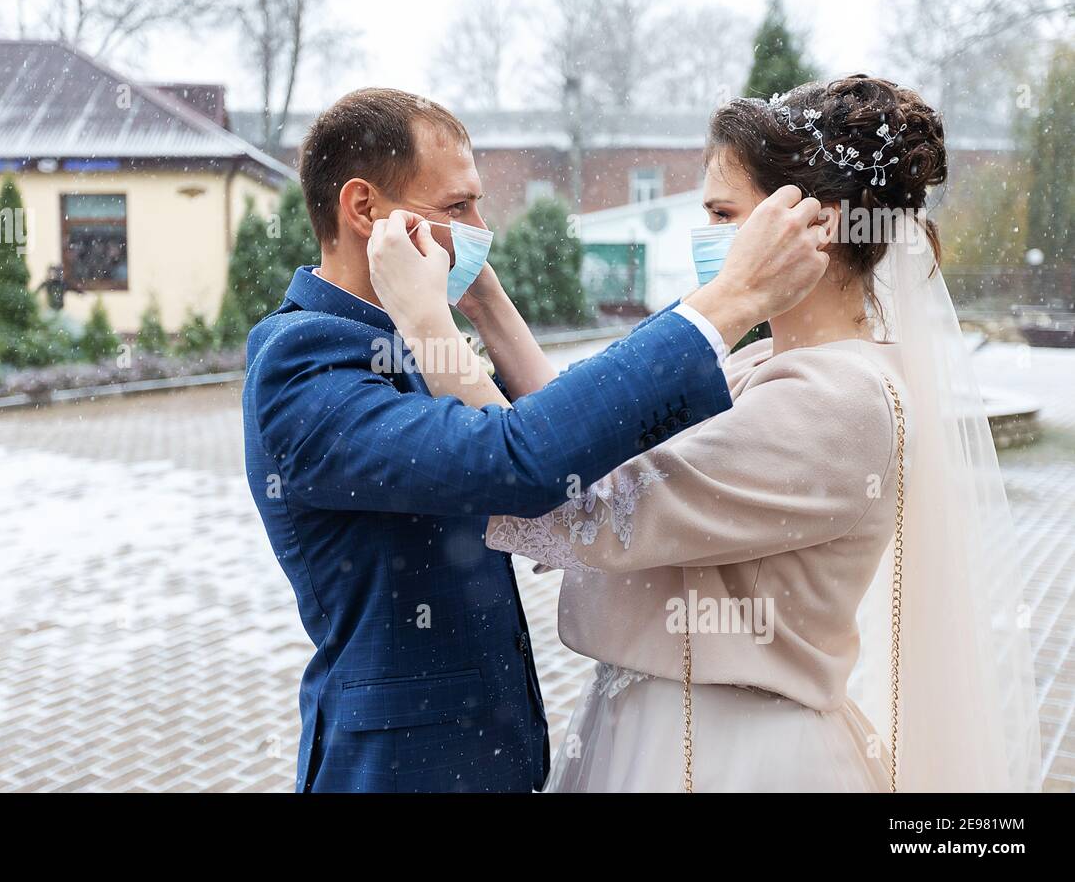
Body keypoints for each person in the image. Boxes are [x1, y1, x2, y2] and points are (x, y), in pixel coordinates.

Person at [372, 75, 1041, 792]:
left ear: (817, 223)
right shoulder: (768, 362)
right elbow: (582, 447)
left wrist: (425, 325)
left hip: (731, 755)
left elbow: (583, 503)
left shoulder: (842, 402)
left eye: (725, 213)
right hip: (666, 730)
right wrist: (487, 303)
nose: (709, 236)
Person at [242, 87, 830, 792]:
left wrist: (482, 301)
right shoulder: (302, 365)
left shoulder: (402, 338)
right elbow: (515, 459)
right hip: (401, 771)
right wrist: (727, 301)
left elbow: (569, 436)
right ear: (364, 209)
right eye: (457, 208)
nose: (481, 228)